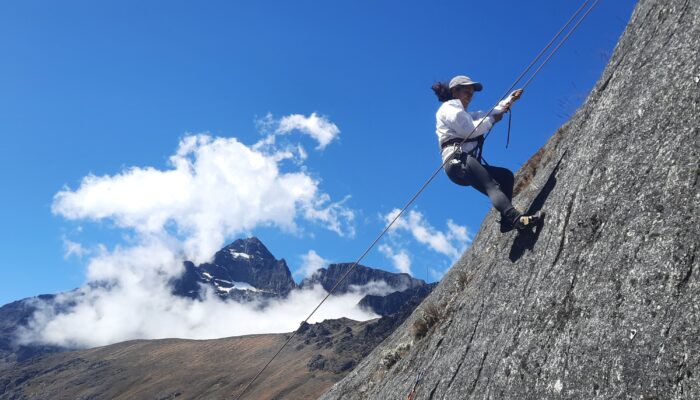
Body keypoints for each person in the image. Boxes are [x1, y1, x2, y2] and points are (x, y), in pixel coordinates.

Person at [433, 75, 544, 232]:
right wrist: (491, 121)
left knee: (505, 177)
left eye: (471, 94)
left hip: (461, 163)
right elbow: (470, 130)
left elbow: (489, 114)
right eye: (467, 92)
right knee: (491, 186)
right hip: (457, 160)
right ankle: (517, 219)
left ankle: (507, 222)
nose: (470, 97)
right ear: (454, 91)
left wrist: (510, 100)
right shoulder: (449, 109)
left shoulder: (464, 114)